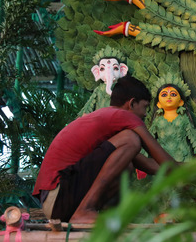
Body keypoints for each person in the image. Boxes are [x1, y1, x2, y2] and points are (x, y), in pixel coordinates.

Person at [33, 75, 176, 223]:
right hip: (58, 197)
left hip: (56, 203)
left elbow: (153, 166)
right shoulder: (123, 116)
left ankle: (95, 213)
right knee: (131, 138)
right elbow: (168, 165)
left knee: (126, 165)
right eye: (145, 107)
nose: (146, 114)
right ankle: (85, 210)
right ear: (132, 103)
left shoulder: (109, 129)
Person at [150, 83, 196, 162]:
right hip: (162, 159)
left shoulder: (183, 119)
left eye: (173, 94)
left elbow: (193, 136)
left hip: (184, 158)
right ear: (158, 103)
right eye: (164, 95)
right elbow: (148, 139)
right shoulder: (157, 120)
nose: (169, 97)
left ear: (181, 102)